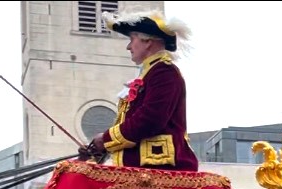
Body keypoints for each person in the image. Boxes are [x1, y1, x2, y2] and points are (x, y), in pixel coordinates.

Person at [81, 10, 198, 171]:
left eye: (131, 39)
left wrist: (105, 139)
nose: (128, 47)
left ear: (147, 41)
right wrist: (99, 151)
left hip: (158, 168)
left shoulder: (164, 72)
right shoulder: (151, 72)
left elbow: (149, 121)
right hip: (142, 168)